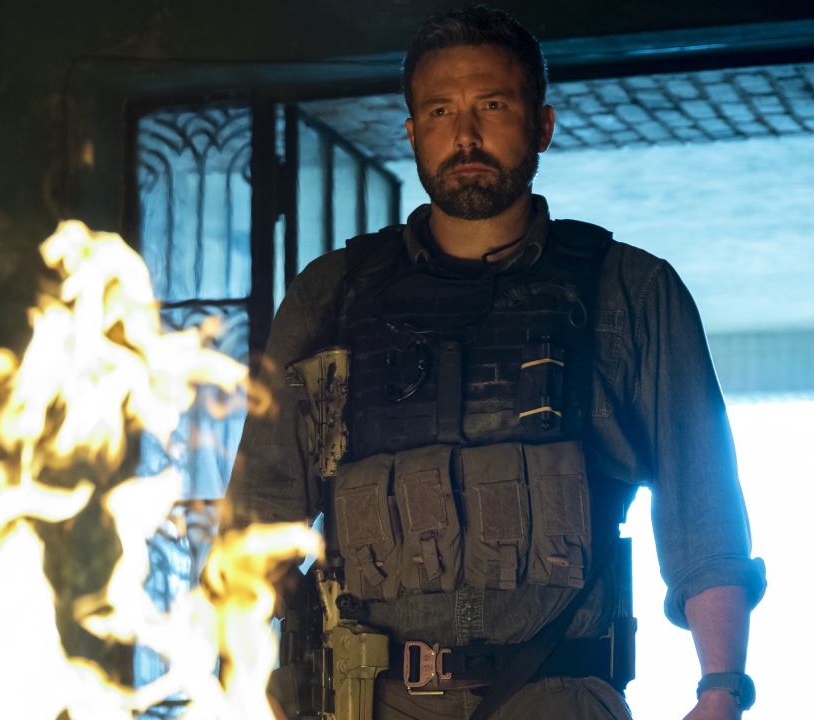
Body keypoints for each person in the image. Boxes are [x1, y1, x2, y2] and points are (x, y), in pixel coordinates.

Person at [226, 7, 766, 720]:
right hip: (367, 700)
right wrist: (229, 677)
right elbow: (260, 517)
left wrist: (722, 688)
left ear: (541, 125)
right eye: (440, 111)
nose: (466, 135)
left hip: (559, 696)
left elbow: (704, 511)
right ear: (413, 133)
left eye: (492, 105)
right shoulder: (330, 294)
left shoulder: (630, 291)